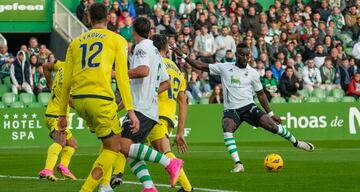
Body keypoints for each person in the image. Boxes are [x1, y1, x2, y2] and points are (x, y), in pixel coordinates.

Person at [171, 43, 315, 173]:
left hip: (248, 107)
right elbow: (201, 65)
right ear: (237, 55)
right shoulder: (225, 67)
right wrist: (183, 56)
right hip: (231, 110)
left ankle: (297, 143)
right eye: (242, 54)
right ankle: (238, 164)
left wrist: (271, 113)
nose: (245, 57)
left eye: (247, 55)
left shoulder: (253, 73)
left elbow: (261, 94)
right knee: (227, 127)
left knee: (272, 127)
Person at [58, 3, 139, 192]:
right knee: (115, 146)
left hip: (79, 101)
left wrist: (62, 114)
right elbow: (122, 77)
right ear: (109, 17)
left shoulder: (75, 43)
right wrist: (130, 110)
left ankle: (105, 185)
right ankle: (87, 189)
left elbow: (66, 82)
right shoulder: (116, 40)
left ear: (89, 19)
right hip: (100, 99)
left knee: (107, 140)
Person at [109, 17, 183, 192]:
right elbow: (166, 83)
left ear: (133, 31)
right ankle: (149, 187)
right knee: (129, 151)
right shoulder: (155, 50)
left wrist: (118, 74)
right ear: (149, 31)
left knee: (122, 146)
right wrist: (151, 92)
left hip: (141, 107)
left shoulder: (141, 47)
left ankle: (171, 163)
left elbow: (143, 71)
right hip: (148, 107)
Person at [131, 34, 193, 192]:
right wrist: (180, 131)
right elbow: (183, 102)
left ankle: (187, 188)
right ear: (166, 48)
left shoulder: (154, 63)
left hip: (154, 113)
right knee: (134, 148)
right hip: (169, 116)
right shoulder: (177, 70)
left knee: (162, 153)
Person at [38, 60, 77, 182]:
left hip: (52, 112)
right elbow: (70, 101)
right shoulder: (73, 74)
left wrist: (50, 84)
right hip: (58, 115)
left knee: (72, 144)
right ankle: (47, 169)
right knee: (60, 142)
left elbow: (45, 66)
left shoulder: (61, 65)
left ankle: (63, 166)